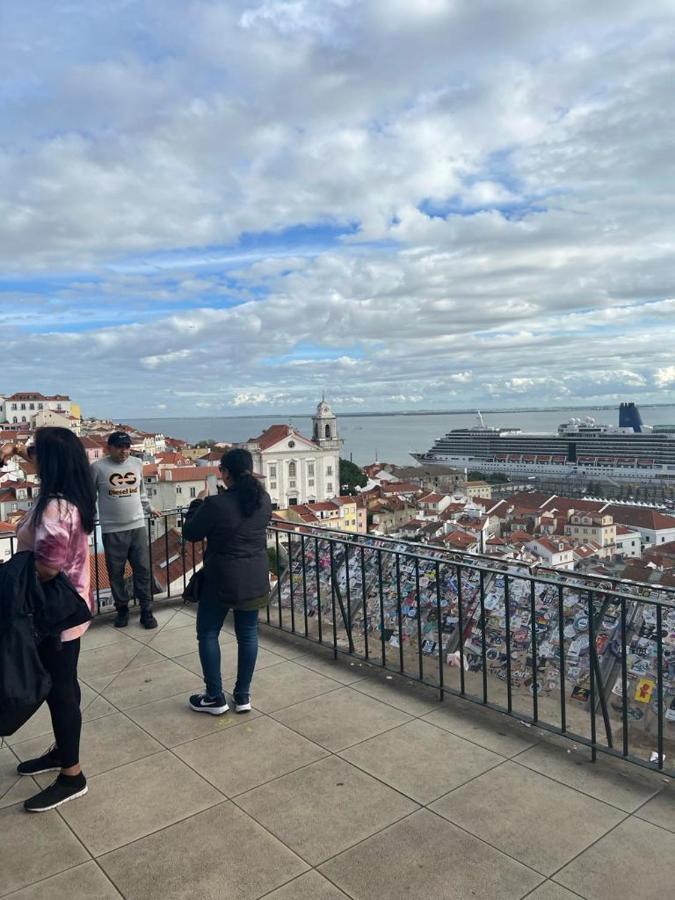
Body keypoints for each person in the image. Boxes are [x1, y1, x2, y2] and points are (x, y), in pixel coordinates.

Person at [1, 428, 96, 812]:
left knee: (60, 692)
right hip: (67, 610)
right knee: (63, 687)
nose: (30, 456)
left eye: (34, 451)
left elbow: (47, 566)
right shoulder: (69, 497)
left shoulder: (57, 506)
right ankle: (62, 752)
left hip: (54, 615)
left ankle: (72, 775)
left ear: (50, 459)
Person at [182, 448, 272, 714]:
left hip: (221, 578)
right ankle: (242, 696)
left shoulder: (217, 504)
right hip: (255, 577)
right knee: (248, 635)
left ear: (225, 473)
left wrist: (197, 505)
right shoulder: (263, 499)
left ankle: (214, 697)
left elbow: (191, 533)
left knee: (208, 632)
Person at [91, 431, 159, 629]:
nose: (124, 451)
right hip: (112, 528)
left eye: (127, 447)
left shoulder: (137, 464)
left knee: (143, 570)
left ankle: (147, 610)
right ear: (109, 448)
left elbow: (141, 492)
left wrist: (150, 508)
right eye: (120, 447)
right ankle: (122, 609)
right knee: (116, 573)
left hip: (137, 524)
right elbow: (90, 496)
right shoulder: (97, 468)